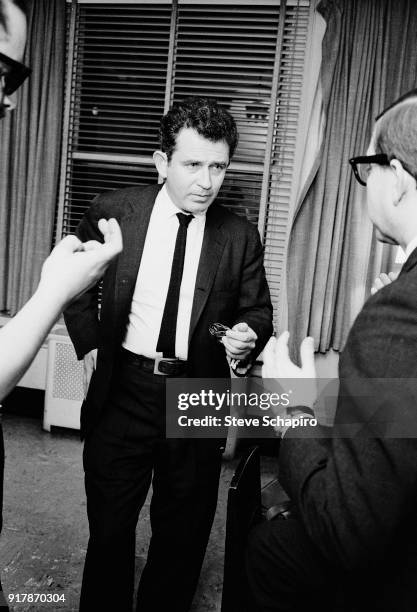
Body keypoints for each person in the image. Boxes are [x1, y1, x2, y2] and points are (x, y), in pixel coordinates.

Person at [64, 96, 273, 612]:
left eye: (219, 166)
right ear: (162, 163)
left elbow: (259, 311)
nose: (207, 181)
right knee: (110, 532)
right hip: (124, 391)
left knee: (181, 539)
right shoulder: (113, 211)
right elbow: (71, 281)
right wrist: (90, 343)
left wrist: (249, 333)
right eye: (193, 164)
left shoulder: (240, 235)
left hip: (199, 394)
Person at [246, 89, 417, 611]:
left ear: (399, 179)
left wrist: (293, 406)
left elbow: (347, 529)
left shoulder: (399, 314)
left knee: (269, 551)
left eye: (366, 169)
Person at [0, 0, 122, 607]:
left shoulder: (237, 235)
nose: (11, 102)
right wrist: (58, 291)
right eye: (4, 75)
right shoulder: (115, 206)